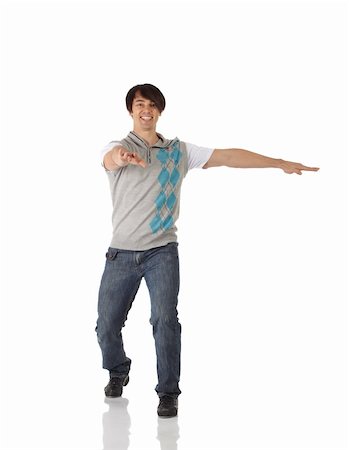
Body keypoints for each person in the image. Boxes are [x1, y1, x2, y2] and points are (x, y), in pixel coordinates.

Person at [95, 83, 319, 418]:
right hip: (121, 254)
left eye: (153, 105)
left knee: (165, 319)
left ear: (159, 111)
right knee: (107, 325)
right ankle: (117, 369)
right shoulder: (119, 146)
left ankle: (168, 393)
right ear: (131, 110)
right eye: (140, 104)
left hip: (161, 252)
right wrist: (121, 157)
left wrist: (279, 162)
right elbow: (110, 160)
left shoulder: (178, 151)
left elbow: (228, 156)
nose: (147, 110)